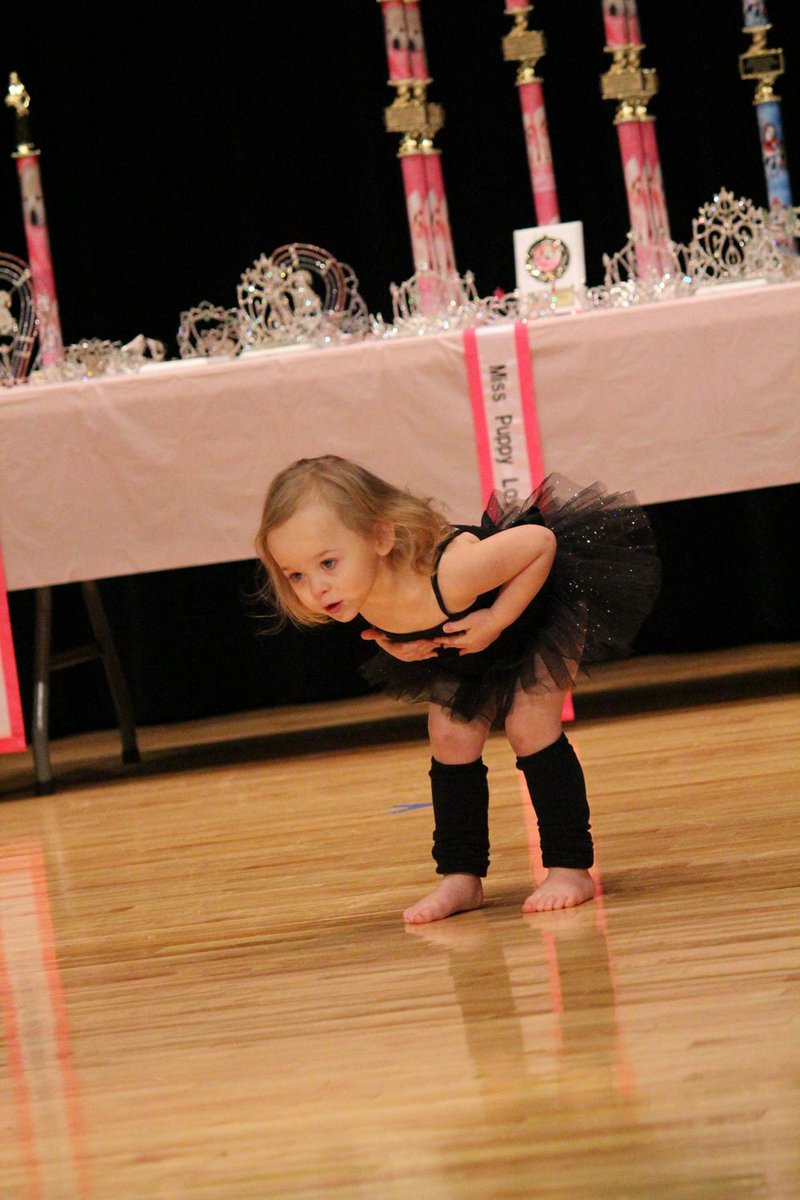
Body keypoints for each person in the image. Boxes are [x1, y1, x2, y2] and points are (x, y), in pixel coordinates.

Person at [255, 455, 660, 924]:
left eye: (327, 563)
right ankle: (460, 876)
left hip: (536, 608)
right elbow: (405, 623)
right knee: (450, 739)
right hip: (469, 635)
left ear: (382, 537)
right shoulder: (354, 588)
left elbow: (540, 542)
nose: (316, 589)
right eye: (297, 575)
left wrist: (497, 618)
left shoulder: (455, 571)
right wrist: (397, 646)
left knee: (529, 728)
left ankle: (571, 867)